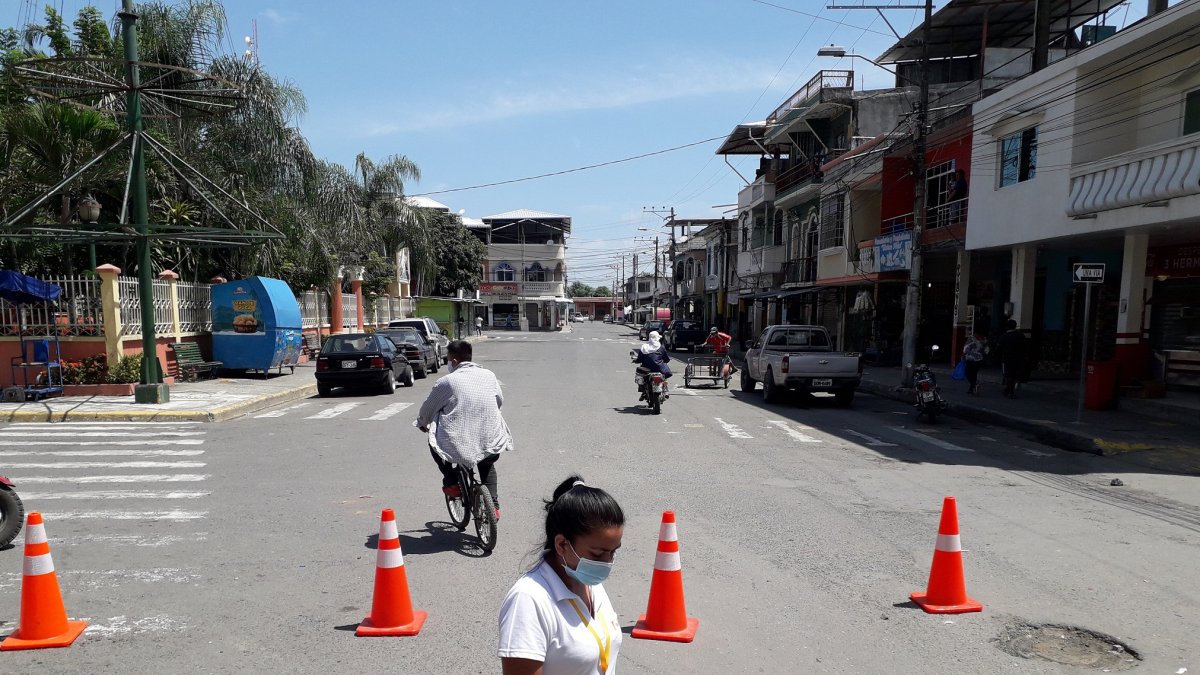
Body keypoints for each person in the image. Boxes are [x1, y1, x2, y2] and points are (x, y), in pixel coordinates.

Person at [498, 476, 625, 675]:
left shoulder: (589, 581)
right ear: (562, 544)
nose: (607, 563)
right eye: (598, 554)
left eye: (613, 552)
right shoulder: (528, 601)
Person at [416, 340, 512, 518]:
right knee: (487, 464)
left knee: (434, 443)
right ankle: (494, 507)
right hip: (490, 436)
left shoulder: (447, 382)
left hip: (460, 441)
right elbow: (499, 401)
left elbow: (428, 408)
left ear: (453, 361)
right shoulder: (489, 375)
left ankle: (452, 483)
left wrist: (422, 423)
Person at [633, 330, 671, 400]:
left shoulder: (644, 347)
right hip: (659, 369)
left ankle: (644, 392)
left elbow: (639, 359)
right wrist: (665, 361)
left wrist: (636, 361)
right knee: (665, 376)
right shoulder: (661, 347)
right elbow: (666, 359)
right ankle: (665, 390)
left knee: (640, 377)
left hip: (646, 369)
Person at [996, 319, 1028, 399]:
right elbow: (1024, 347)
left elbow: (998, 348)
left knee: (1008, 375)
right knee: (1014, 374)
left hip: (1007, 358)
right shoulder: (1021, 335)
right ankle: (1009, 390)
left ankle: (1010, 391)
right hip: (1018, 358)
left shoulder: (1004, 336)